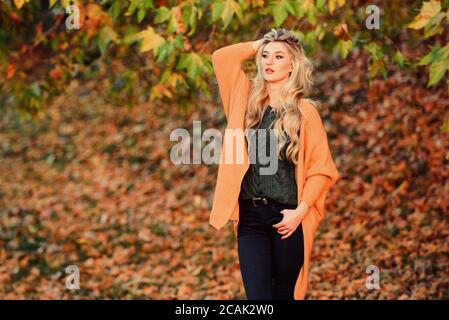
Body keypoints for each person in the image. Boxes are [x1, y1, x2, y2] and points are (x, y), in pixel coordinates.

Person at [209, 28, 340, 300]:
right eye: (265, 56)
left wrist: (300, 212)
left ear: (292, 65)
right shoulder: (245, 101)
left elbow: (321, 170)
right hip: (251, 219)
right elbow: (221, 58)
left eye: (278, 56)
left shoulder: (306, 112)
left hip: (288, 218)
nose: (268, 62)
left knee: (284, 295)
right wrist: (260, 43)